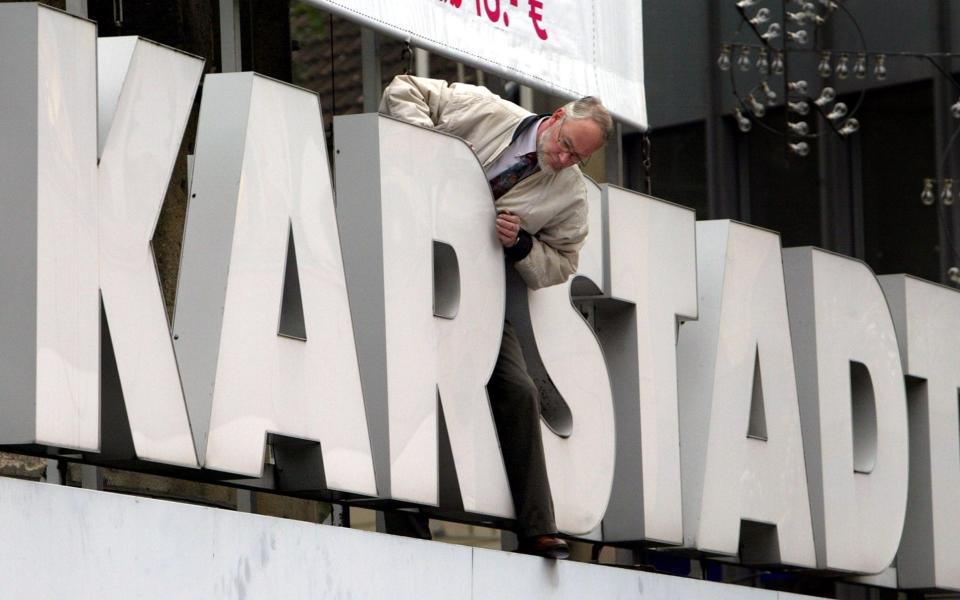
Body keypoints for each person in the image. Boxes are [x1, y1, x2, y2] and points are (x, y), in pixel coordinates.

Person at [378, 74, 612, 559]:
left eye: (577, 157)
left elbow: (564, 262)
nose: (565, 160)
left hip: (475, 292)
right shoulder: (487, 110)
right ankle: (407, 516)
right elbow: (404, 88)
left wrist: (523, 244)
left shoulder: (571, 195)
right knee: (413, 382)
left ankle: (538, 527)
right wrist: (431, 153)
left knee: (520, 390)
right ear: (554, 120)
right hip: (405, 260)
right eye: (565, 146)